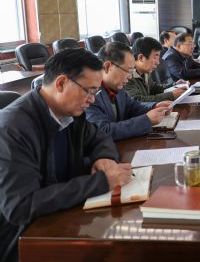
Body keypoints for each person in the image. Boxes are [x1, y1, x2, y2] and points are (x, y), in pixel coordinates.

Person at [0, 48, 132, 262]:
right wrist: (101, 182)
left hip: (62, 217)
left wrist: (104, 157)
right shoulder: (12, 129)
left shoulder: (70, 112)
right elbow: (21, 207)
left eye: (95, 92)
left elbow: (99, 137)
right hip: (24, 240)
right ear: (61, 83)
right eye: (89, 91)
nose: (92, 100)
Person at [86, 42, 172, 141]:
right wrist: (146, 120)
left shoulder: (117, 86)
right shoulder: (89, 94)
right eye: (128, 71)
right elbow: (102, 131)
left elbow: (132, 106)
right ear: (107, 67)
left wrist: (154, 106)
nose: (130, 77)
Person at [125, 37, 187, 102]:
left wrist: (174, 85)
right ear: (141, 58)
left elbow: (153, 88)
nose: (158, 62)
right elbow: (138, 100)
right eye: (155, 57)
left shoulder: (145, 72)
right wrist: (171, 95)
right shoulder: (127, 76)